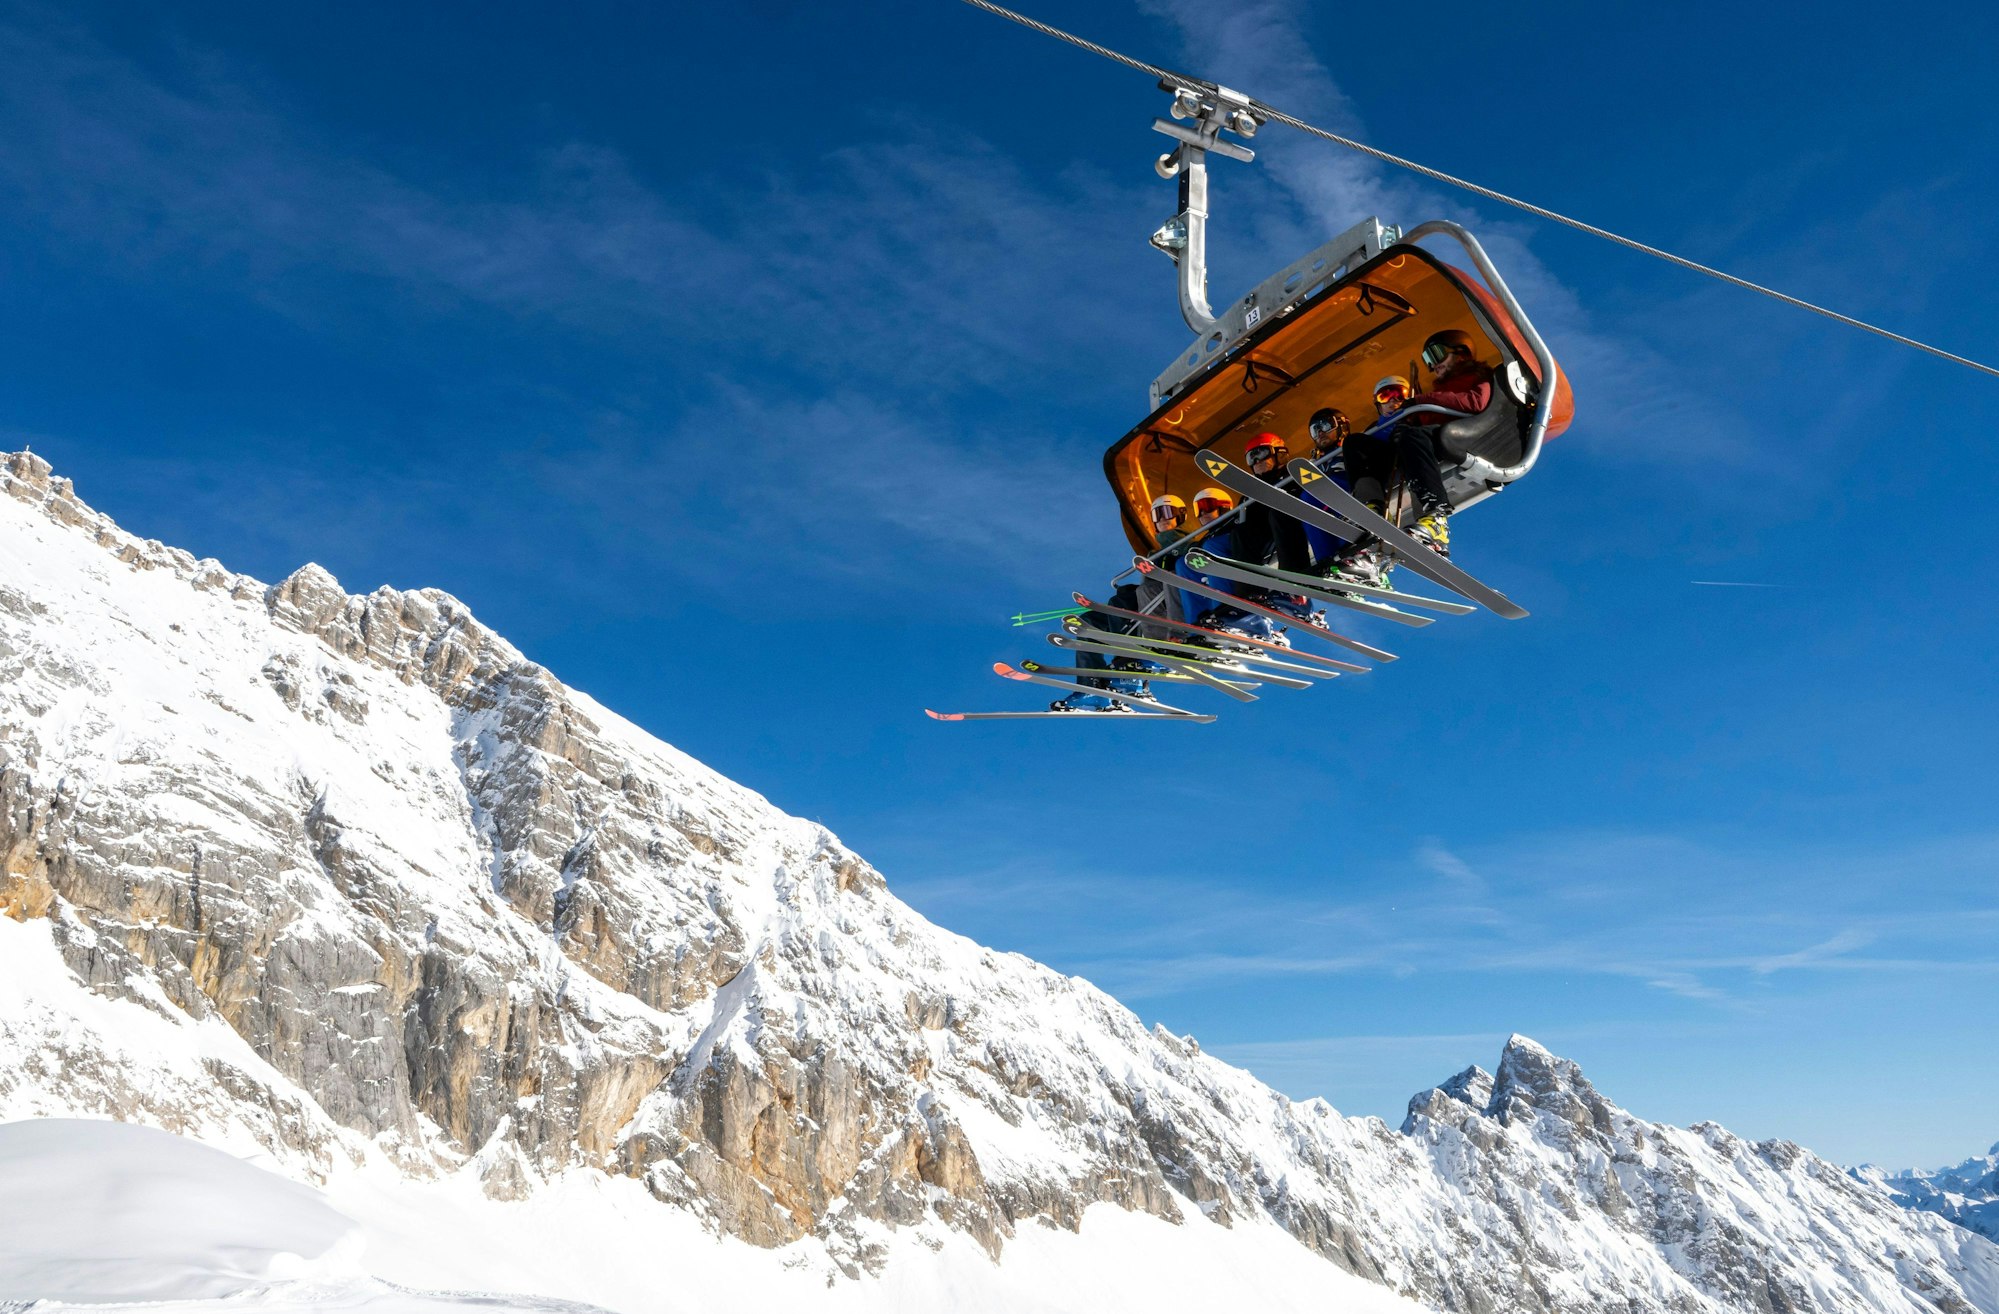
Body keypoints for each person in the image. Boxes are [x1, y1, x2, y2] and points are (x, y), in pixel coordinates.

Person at [1339, 332, 1493, 560]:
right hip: (1419, 442)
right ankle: (1373, 508)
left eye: (1436, 355)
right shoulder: (1439, 390)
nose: (1433, 365)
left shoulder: (1478, 376)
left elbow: (1475, 402)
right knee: (1355, 442)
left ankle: (1436, 518)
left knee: (1409, 436)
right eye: (1428, 360)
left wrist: (1420, 401)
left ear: (1461, 353)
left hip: (1459, 436)